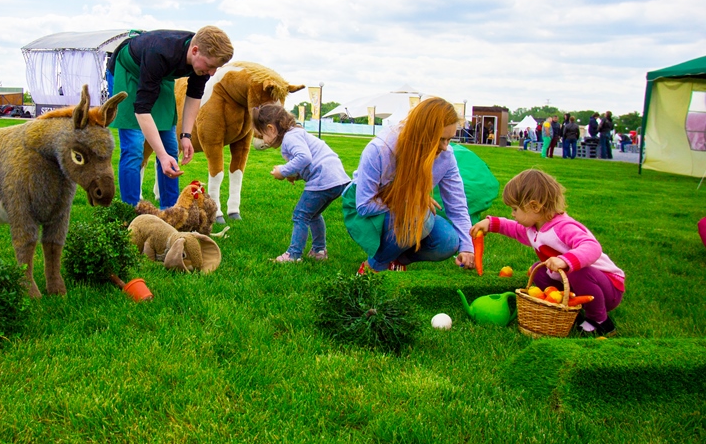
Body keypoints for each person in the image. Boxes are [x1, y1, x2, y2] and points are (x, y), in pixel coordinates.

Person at [470, 168, 624, 336]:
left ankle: (600, 321)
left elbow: (592, 247)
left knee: (578, 272)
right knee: (540, 270)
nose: (512, 214)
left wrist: (566, 260)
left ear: (534, 206)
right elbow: (514, 228)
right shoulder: (533, 226)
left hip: (608, 287)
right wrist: (491, 224)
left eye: (515, 209)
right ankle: (566, 306)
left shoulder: (563, 227)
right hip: (577, 283)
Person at [108, 26, 233, 208]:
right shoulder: (159, 52)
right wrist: (161, 155)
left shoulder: (202, 63)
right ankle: (131, 213)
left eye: (216, 67)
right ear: (195, 50)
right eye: (210, 65)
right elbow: (142, 109)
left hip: (158, 77)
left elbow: (194, 95)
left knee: (170, 147)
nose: (212, 73)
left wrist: (186, 136)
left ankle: (171, 213)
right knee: (134, 146)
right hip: (128, 71)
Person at [347, 97, 475, 273]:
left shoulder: (446, 157)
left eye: (449, 140)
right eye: (441, 139)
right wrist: (413, 200)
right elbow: (364, 205)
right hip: (364, 212)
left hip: (403, 210)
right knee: (420, 217)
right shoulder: (379, 150)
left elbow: (457, 205)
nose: (445, 147)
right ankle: (373, 267)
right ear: (424, 134)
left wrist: (467, 247)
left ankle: (395, 259)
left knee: (448, 241)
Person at [251, 104, 350, 263]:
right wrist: (295, 176)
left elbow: (304, 157)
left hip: (323, 178)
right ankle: (319, 250)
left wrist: (283, 170)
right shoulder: (296, 133)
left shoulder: (290, 137)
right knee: (313, 214)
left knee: (301, 215)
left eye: (262, 135)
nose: (263, 140)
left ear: (271, 129)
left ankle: (294, 254)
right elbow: (307, 162)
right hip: (336, 179)